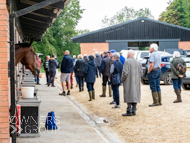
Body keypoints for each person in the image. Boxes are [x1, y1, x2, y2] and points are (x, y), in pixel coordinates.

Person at [121, 50, 142, 116]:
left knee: (129, 94)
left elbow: (125, 73)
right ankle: (134, 109)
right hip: (136, 81)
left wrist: (122, 80)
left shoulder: (127, 62)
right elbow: (141, 72)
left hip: (128, 81)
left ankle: (129, 110)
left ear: (129, 55)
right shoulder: (138, 62)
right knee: (135, 94)